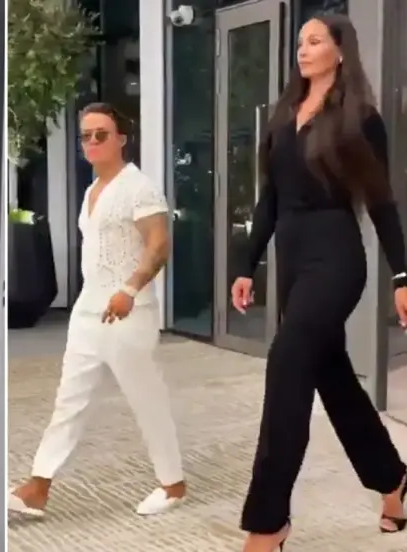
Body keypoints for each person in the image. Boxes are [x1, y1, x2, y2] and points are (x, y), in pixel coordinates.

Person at [231, 15, 407, 552]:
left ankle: (268, 522)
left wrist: (403, 274)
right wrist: (246, 264)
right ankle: (394, 480)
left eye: (314, 42)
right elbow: (270, 198)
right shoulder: (285, 114)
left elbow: (381, 201)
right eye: (300, 43)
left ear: (340, 51)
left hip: (336, 258)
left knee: (287, 366)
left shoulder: (360, 118)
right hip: (292, 259)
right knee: (333, 379)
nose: (303, 51)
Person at [8, 102, 186, 518]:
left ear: (121, 139)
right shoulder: (91, 191)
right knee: (69, 400)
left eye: (100, 134)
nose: (91, 142)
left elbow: (159, 244)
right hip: (88, 310)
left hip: (128, 312)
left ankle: (173, 484)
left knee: (147, 400)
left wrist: (130, 289)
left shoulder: (139, 188)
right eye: (85, 136)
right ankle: (39, 486)